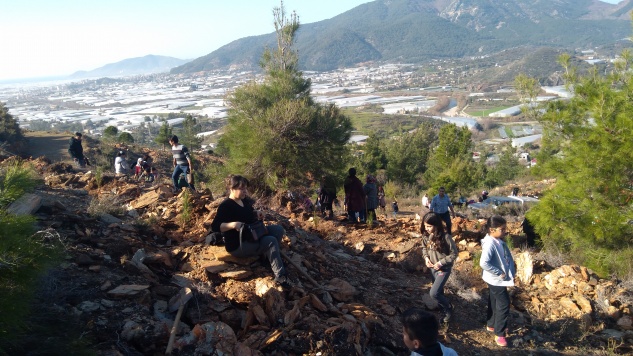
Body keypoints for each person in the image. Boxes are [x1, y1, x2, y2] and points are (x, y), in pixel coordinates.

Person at [211, 175, 291, 288]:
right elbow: (215, 226)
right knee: (271, 241)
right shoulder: (226, 206)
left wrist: (257, 213)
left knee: (278, 230)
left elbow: (248, 214)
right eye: (242, 189)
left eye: (245, 188)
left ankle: (268, 256)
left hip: (252, 234)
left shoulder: (244, 200)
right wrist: (232, 225)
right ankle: (281, 277)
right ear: (232, 189)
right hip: (239, 244)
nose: (245, 191)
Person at [480, 215, 516, 348]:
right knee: (504, 304)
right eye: (502, 229)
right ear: (491, 229)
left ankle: (491, 324)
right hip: (496, 279)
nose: (505, 231)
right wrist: (499, 272)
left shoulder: (496, 240)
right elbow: (483, 263)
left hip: (496, 279)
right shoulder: (490, 243)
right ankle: (499, 333)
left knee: (494, 299)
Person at [421, 212, 458, 324]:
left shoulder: (446, 237)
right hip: (433, 269)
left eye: (429, 226)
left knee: (434, 293)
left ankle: (448, 308)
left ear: (436, 225)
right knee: (439, 292)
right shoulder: (426, 236)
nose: (427, 228)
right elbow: (424, 249)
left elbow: (454, 254)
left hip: (443, 269)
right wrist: (426, 258)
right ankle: (443, 309)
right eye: (425, 225)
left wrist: (441, 263)